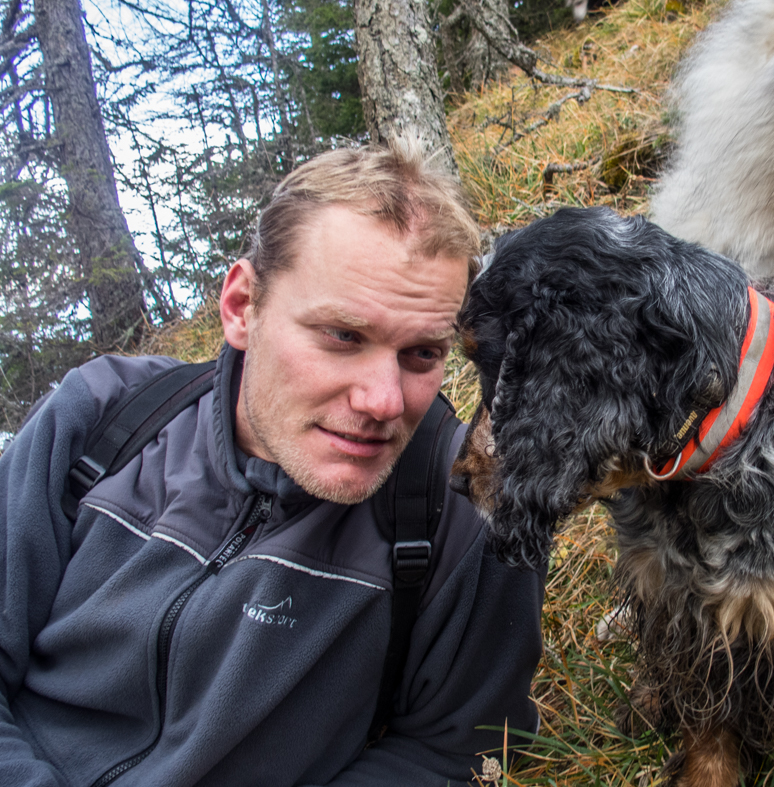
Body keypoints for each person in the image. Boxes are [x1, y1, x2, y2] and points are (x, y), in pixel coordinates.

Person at [0, 142, 545, 786]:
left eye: (422, 354)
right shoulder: (102, 417)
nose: (383, 401)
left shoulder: (467, 507)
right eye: (344, 337)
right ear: (241, 307)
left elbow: (453, 752)